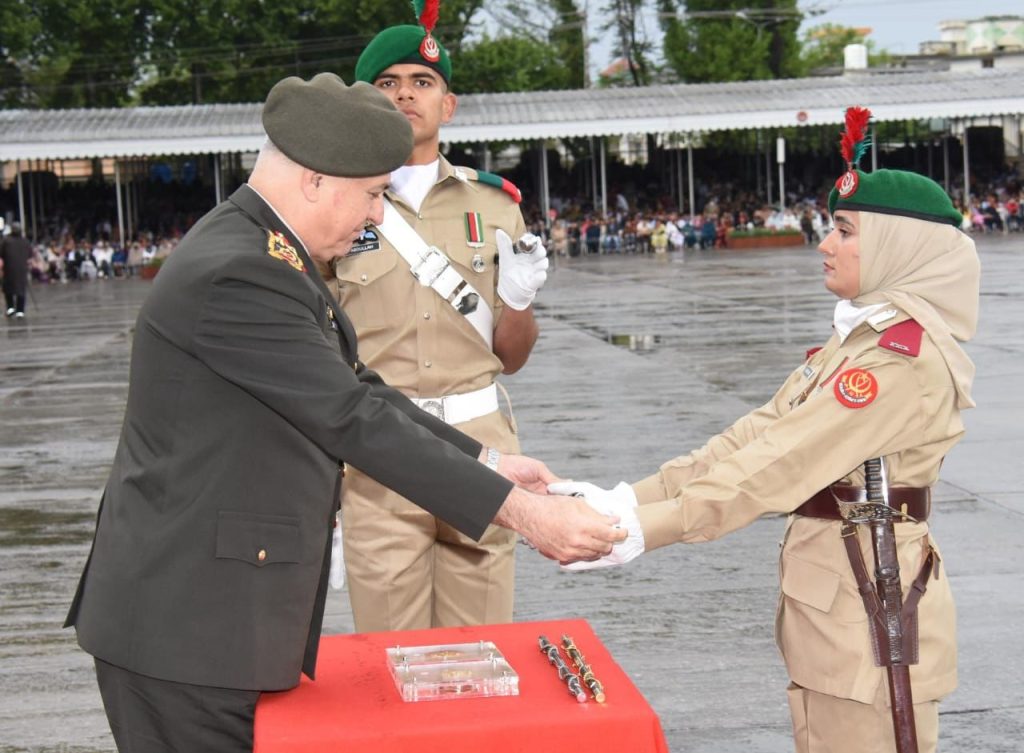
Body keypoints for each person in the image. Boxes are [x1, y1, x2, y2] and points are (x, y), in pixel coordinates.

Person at [65, 72, 623, 753]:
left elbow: (357, 387)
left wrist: (488, 459)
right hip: (186, 629)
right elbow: (353, 417)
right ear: (314, 180)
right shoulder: (242, 272)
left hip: (207, 616)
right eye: (369, 195)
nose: (377, 216)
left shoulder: (265, 251)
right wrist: (523, 512)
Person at [552, 107, 978, 753]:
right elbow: (750, 438)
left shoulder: (897, 360)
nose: (824, 244)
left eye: (843, 230)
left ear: (898, 244)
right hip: (839, 604)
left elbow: (779, 463)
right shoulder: (854, 345)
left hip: (870, 613)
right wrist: (625, 499)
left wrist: (646, 530)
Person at [331, 19, 550, 632]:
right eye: (387, 82)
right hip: (380, 454)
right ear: (363, 103)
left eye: (422, 81)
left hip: (483, 451)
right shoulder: (337, 206)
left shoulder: (497, 205)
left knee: (480, 656)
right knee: (392, 659)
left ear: (446, 104)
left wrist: (521, 301)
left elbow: (512, 357)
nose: (405, 94)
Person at [1, 222, 32, 318]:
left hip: (9, 269)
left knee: (8, 289)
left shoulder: (6, 241)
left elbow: (1, 253)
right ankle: (20, 310)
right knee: (21, 289)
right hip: (22, 269)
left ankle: (10, 308)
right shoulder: (25, 241)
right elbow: (30, 254)